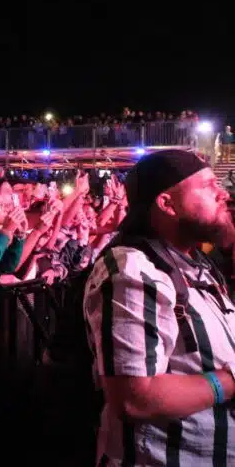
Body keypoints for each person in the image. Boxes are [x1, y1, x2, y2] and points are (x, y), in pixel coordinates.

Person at [83, 149, 235, 465]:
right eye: (207, 186)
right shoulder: (132, 269)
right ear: (167, 204)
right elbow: (134, 398)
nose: (223, 193)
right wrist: (231, 380)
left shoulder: (194, 263)